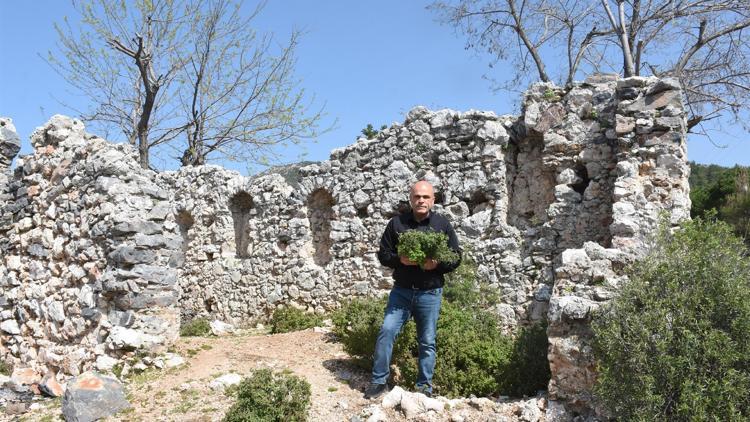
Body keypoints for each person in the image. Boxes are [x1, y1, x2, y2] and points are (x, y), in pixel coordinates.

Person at [364, 180, 461, 399]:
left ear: (433, 200)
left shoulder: (442, 224)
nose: (421, 200)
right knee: (387, 331)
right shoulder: (396, 224)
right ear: (411, 198)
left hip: (430, 293)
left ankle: (424, 387)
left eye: (426, 197)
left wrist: (437, 264)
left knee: (427, 340)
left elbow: (456, 257)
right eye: (417, 196)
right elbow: (383, 255)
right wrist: (401, 260)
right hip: (402, 292)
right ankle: (379, 382)